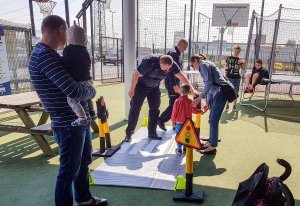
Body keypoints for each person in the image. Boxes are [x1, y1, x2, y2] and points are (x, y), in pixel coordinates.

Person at [28, 15, 107, 206]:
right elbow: (73, 90)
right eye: (67, 34)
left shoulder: (48, 53)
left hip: (76, 120)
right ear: (61, 30)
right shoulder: (45, 56)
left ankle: (84, 198)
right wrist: (92, 90)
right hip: (68, 122)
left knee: (83, 161)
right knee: (69, 170)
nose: (69, 40)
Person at [125, 54, 198, 142]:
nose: (168, 70)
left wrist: (192, 89)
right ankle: (129, 133)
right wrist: (132, 89)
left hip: (154, 86)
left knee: (155, 108)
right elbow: (135, 75)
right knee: (135, 108)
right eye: (165, 68)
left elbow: (181, 76)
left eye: (169, 68)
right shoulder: (149, 61)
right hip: (141, 85)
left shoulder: (172, 65)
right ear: (160, 62)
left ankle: (152, 133)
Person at [190, 54, 227, 155]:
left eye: (193, 66)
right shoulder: (206, 64)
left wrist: (199, 99)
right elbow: (211, 86)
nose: (195, 68)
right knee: (211, 120)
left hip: (220, 93)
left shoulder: (203, 65)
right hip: (217, 93)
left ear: (195, 61)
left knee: (213, 120)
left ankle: (212, 147)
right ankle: (211, 142)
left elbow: (209, 84)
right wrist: (207, 102)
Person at [63, 22, 96, 126]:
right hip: (88, 79)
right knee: (88, 97)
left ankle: (81, 117)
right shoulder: (85, 51)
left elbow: (66, 64)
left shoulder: (68, 50)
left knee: (71, 99)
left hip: (78, 80)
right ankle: (92, 112)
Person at [158, 39, 188, 131]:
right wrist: (174, 85)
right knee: (175, 103)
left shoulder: (177, 54)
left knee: (176, 102)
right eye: (185, 47)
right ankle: (161, 120)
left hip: (175, 83)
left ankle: (174, 123)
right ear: (179, 45)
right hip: (172, 83)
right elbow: (170, 71)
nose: (185, 50)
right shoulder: (174, 54)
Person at [171, 84, 200, 154]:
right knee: (187, 134)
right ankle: (185, 148)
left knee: (179, 135)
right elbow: (194, 111)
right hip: (188, 123)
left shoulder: (177, 101)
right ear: (189, 91)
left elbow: (174, 112)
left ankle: (179, 148)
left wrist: (173, 121)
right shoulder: (190, 101)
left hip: (179, 122)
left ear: (180, 91)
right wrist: (200, 111)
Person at [224, 45, 245, 112]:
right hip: (229, 77)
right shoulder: (229, 58)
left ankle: (234, 106)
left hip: (237, 78)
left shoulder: (240, 59)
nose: (236, 53)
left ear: (239, 52)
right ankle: (227, 106)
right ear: (233, 50)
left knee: (235, 92)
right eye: (235, 51)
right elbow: (226, 66)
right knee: (228, 91)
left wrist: (243, 63)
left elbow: (243, 68)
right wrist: (226, 70)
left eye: (238, 52)